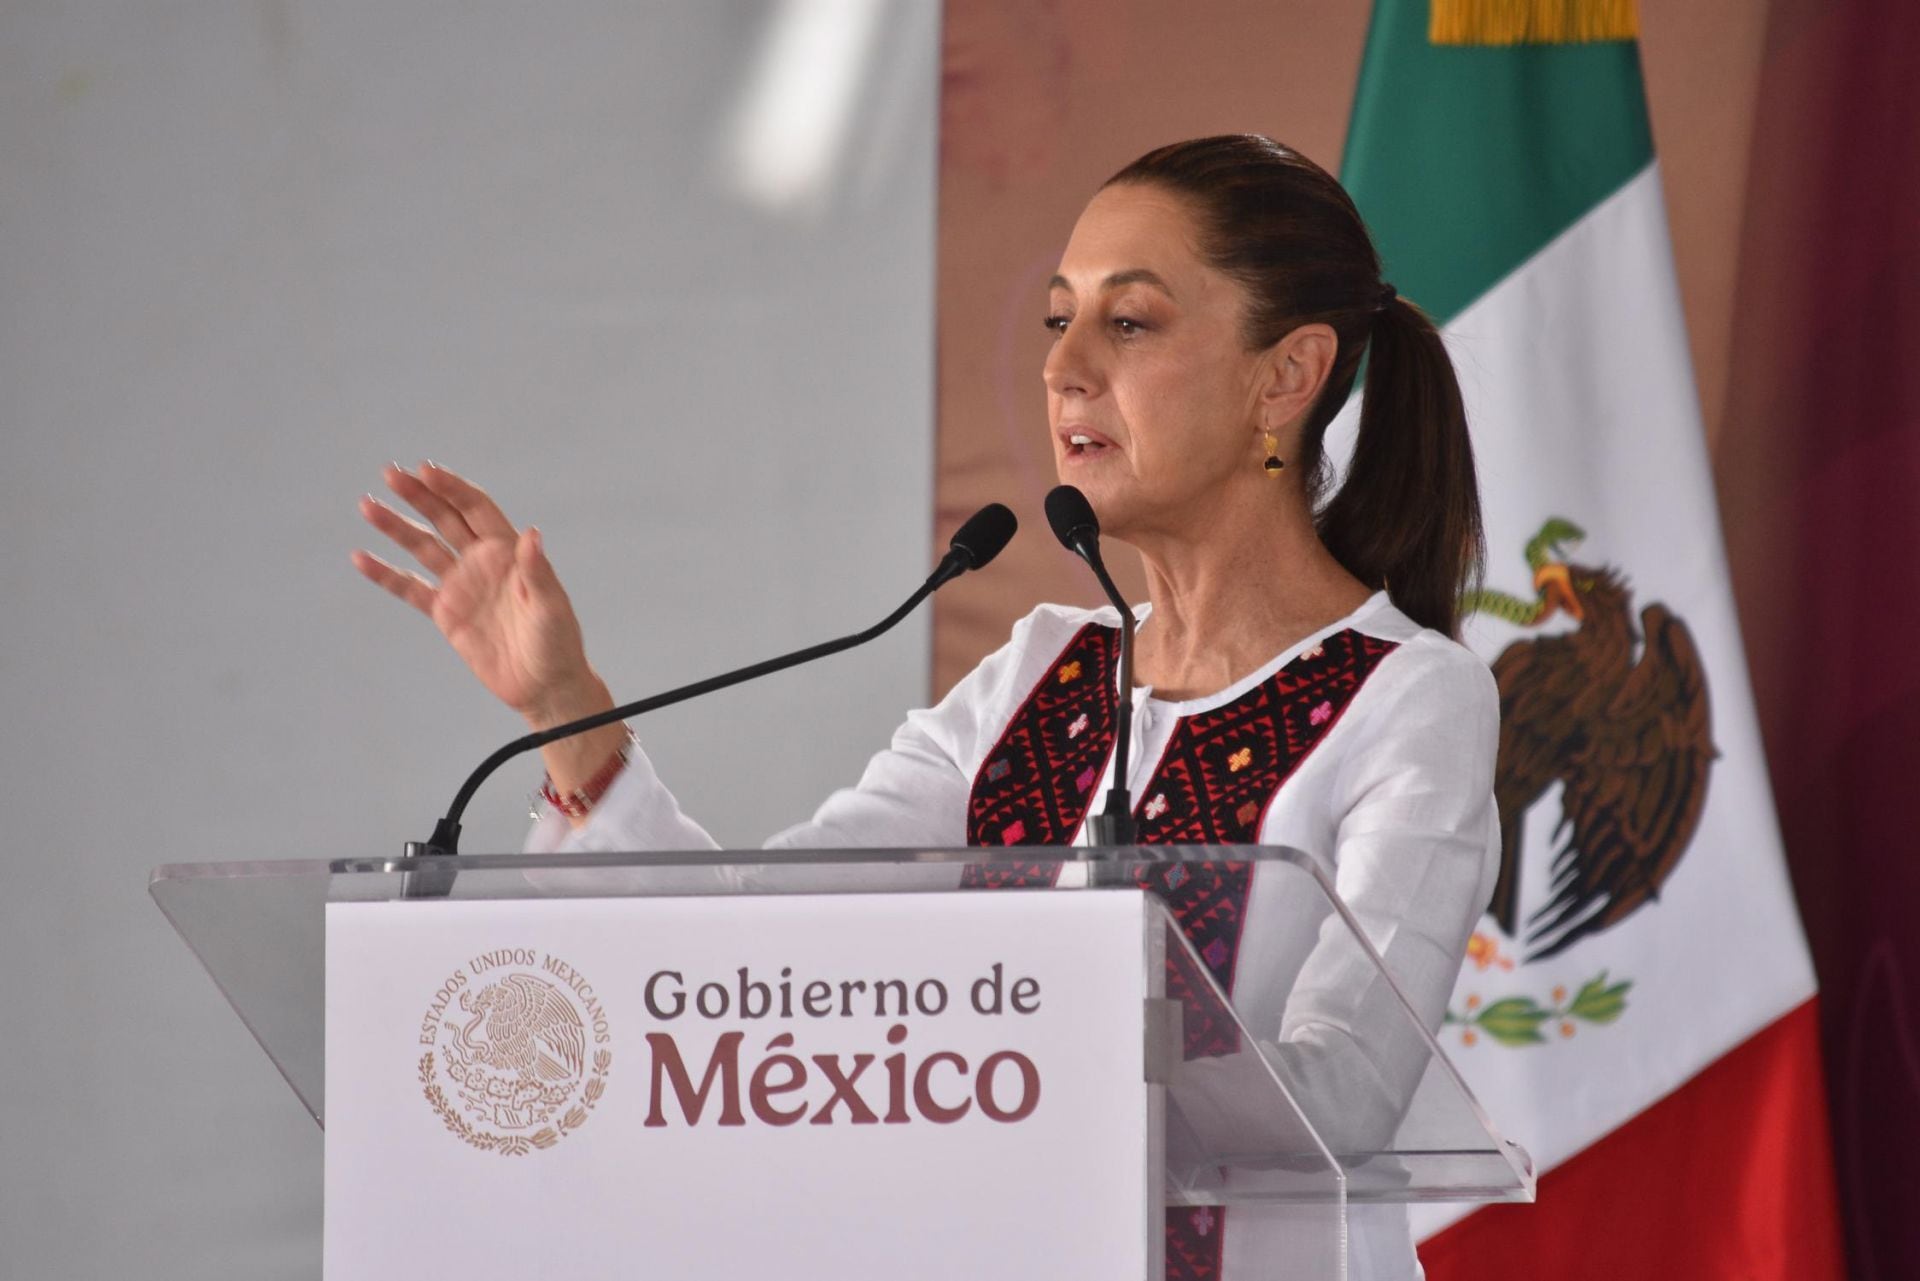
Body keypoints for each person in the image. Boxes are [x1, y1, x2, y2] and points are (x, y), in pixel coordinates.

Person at [354, 134, 1499, 1281]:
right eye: (1060, 320)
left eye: (1131, 322)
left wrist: (1059, 1025)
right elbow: (751, 949)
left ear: (1286, 376)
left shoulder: (1409, 699)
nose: (1065, 369)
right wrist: (571, 706)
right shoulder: (1041, 674)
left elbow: (1343, 1095)